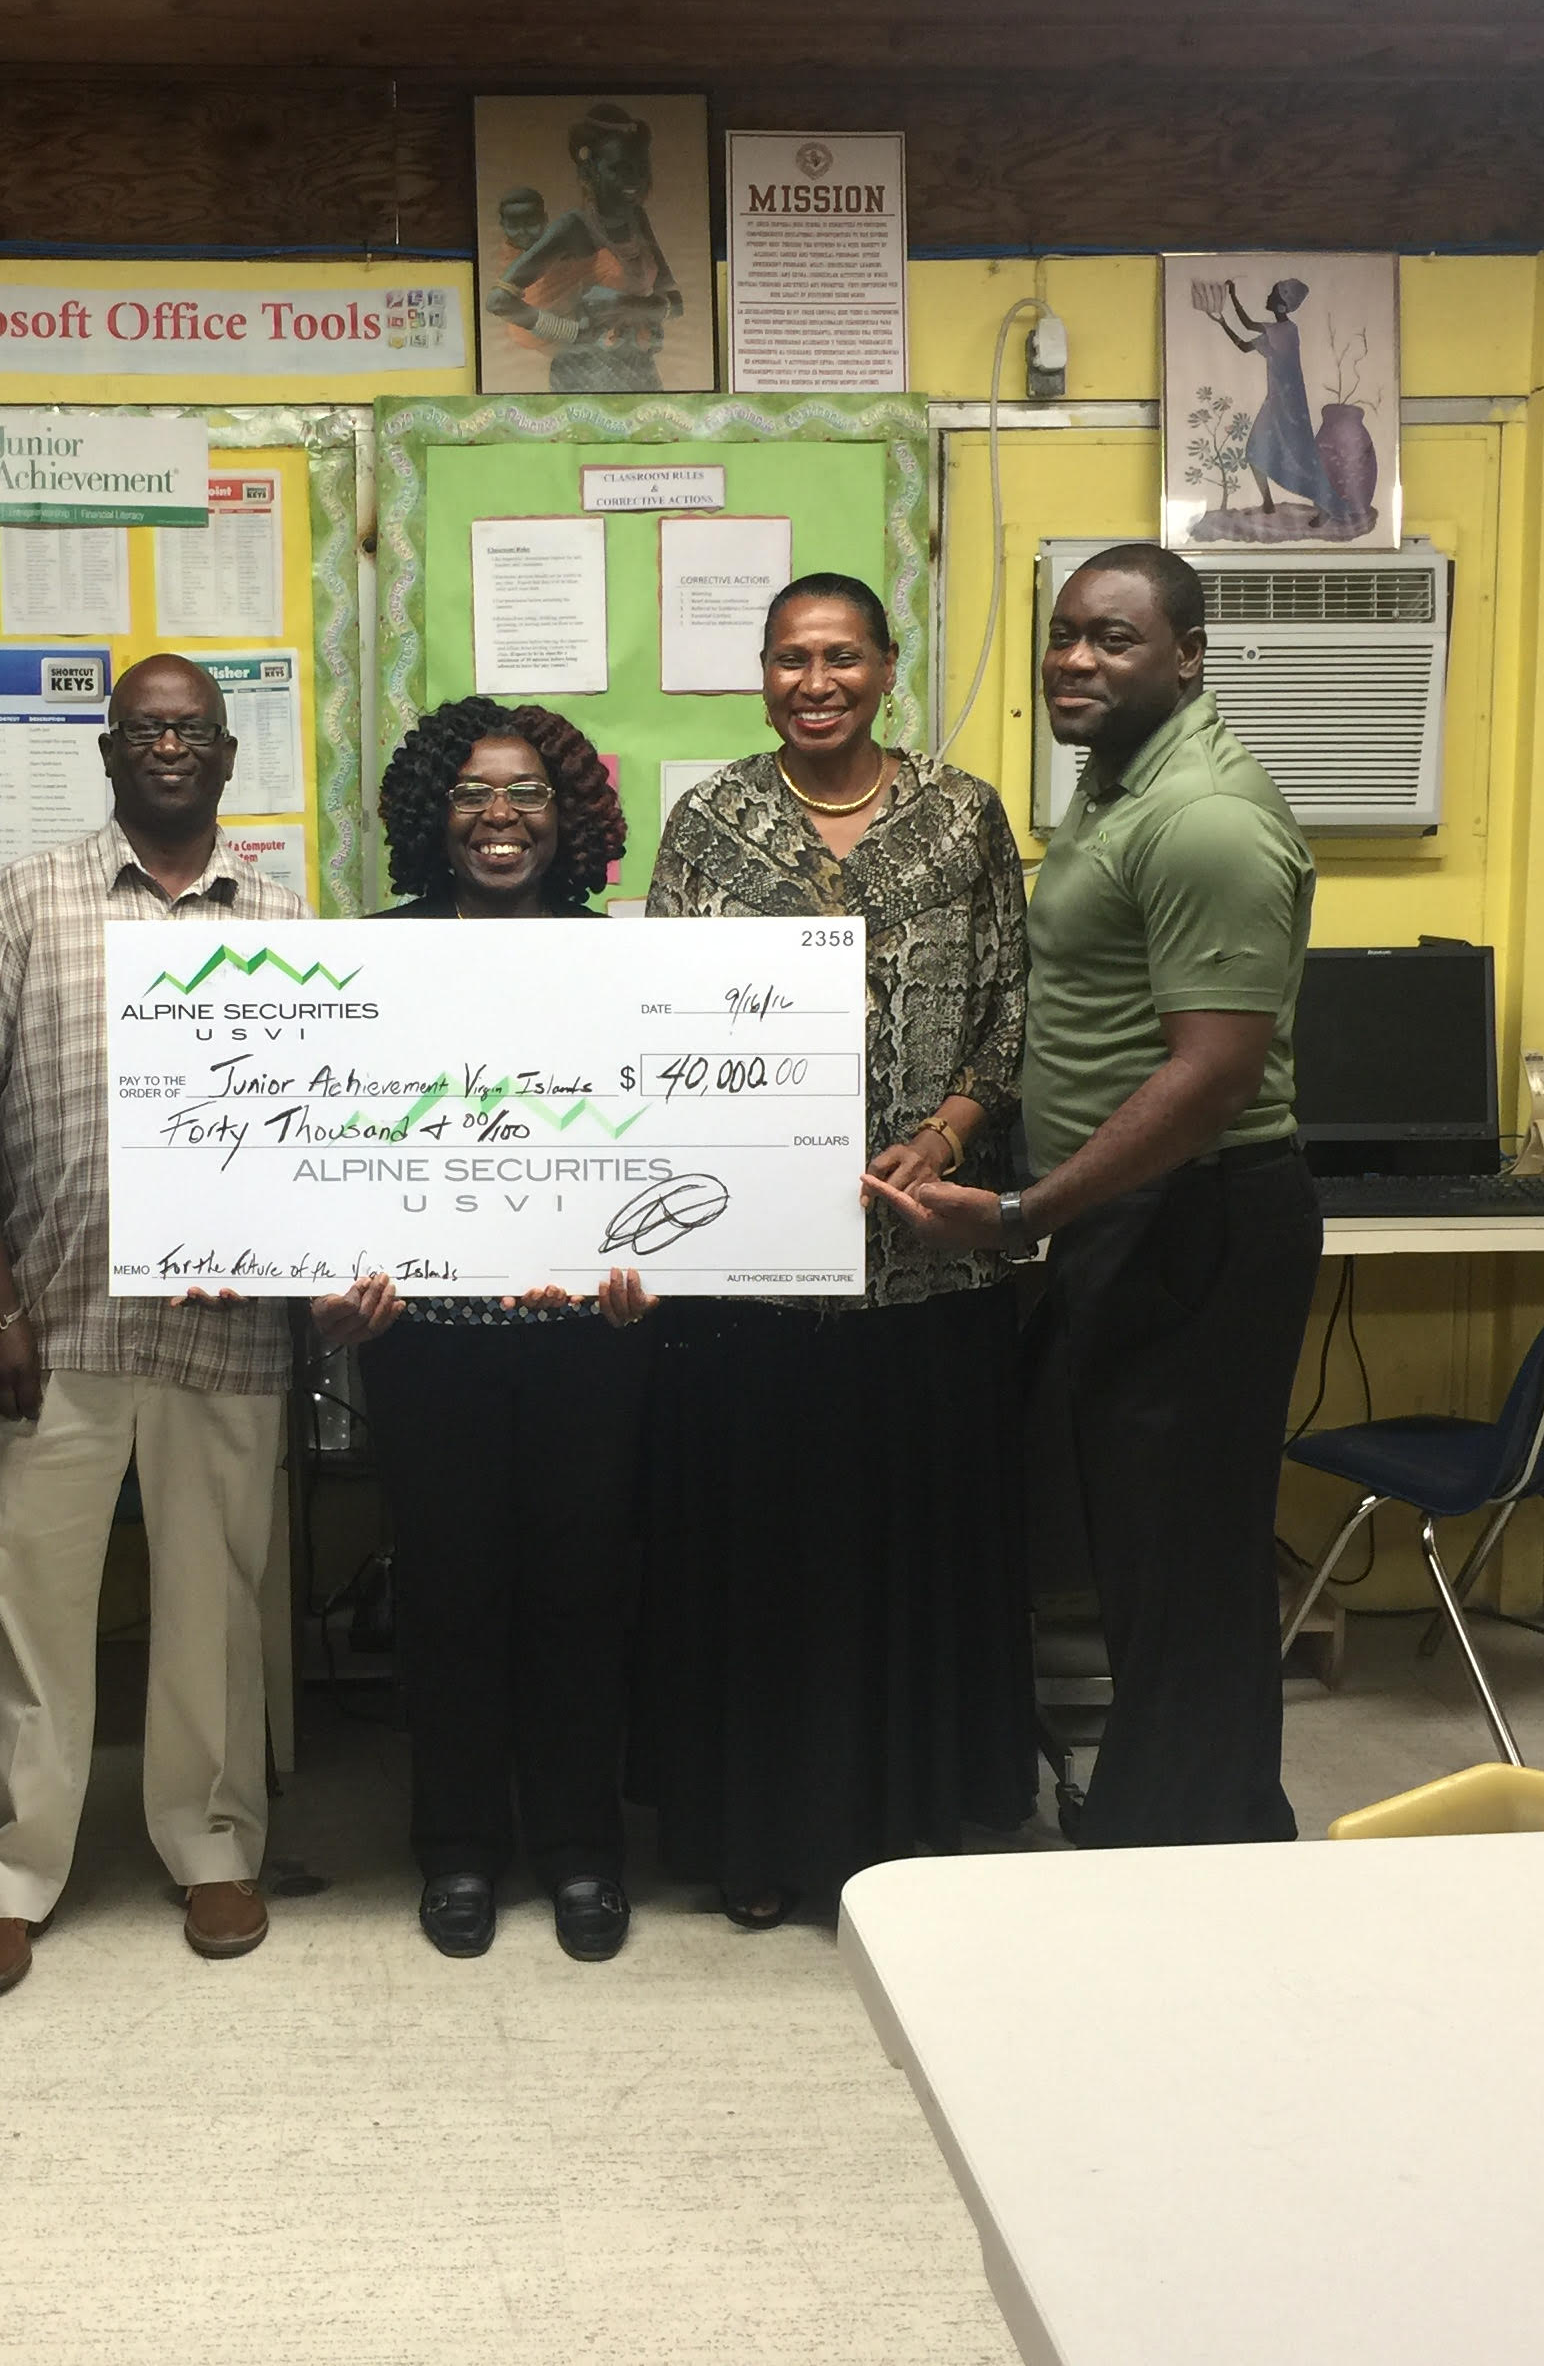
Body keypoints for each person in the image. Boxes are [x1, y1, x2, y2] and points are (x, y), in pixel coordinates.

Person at [872, 542, 1319, 1847]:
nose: (1077, 659)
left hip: (1198, 1217)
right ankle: (1229, 1823)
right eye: (1065, 634)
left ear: (1187, 655)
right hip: (1135, 1213)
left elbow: (1214, 1073)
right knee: (1163, 1559)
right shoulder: (1121, 787)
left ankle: (1156, 1851)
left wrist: (1026, 1215)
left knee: (1180, 1567)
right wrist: (971, 1145)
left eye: (1114, 638)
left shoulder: (1205, 819)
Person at [634, 572, 1034, 1926]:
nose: (818, 682)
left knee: (904, 1563)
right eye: (793, 659)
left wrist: (954, 1132)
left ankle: (905, 1835)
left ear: (885, 667)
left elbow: (1009, 1008)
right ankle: (765, 1847)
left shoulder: (963, 816)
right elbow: (663, 1024)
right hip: (758, 1277)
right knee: (774, 1571)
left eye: (843, 657)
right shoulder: (710, 824)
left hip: (927, 1270)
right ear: (761, 674)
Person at [0, 654, 305, 1991]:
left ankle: (212, 1847)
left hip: (227, 1334)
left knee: (217, 1607)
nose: (169, 747)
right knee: (29, 1608)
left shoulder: (286, 919)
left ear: (226, 758)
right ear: (108, 754)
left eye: (193, 732)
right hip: (56, 1322)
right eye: (144, 729)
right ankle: (9, 1873)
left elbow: (320, 1134)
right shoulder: (21, 908)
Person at [311, 698, 654, 1963]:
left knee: (578, 1591)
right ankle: (457, 1847)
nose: (499, 816)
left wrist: (651, 1265)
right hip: (429, 1338)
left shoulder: (622, 960)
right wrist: (328, 1284)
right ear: (430, 817)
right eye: (471, 794)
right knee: (448, 1593)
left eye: (526, 794)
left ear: (568, 817)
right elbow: (328, 1146)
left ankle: (578, 1850)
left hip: (584, 1339)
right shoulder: (374, 961)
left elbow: (660, 1144)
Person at [485, 102, 685, 392]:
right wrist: (570, 331)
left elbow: (675, 303)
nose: (633, 180)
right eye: (618, 168)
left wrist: (626, 306)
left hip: (640, 369)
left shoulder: (637, 219)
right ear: (592, 170)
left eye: (639, 168)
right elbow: (499, 301)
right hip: (584, 376)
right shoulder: (574, 227)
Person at [1212, 278, 1341, 523]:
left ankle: (1326, 507)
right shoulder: (1275, 335)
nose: (1267, 298)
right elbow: (1243, 345)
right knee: (1254, 450)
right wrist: (1222, 323)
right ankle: (1268, 503)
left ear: (1282, 304)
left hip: (1290, 405)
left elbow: (1248, 324)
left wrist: (1233, 296)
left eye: (1272, 294)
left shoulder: (1285, 331)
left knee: (1301, 455)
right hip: (1275, 402)